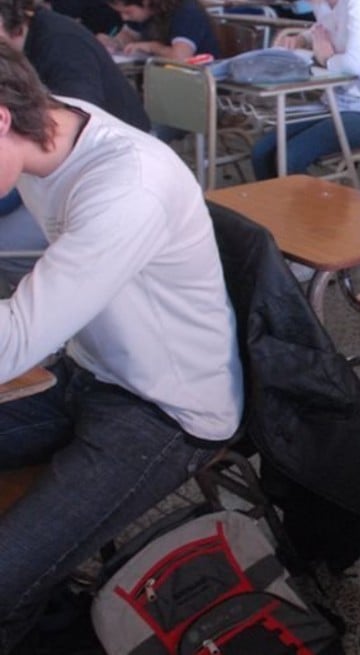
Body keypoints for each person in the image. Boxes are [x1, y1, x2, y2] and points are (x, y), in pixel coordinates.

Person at [0, 41, 242, 651]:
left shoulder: (127, 184)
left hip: (165, 411)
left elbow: (14, 344)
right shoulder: (50, 125)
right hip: (88, 372)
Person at [0, 0, 150, 289]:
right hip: (56, 160)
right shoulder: (32, 42)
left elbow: (57, 137)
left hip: (99, 165)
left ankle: (47, 285)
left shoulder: (61, 43)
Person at [250, 0, 360, 179]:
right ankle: (274, 198)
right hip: (332, 105)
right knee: (262, 152)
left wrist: (327, 59)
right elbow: (322, 30)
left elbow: (354, 65)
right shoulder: (322, 3)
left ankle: (306, 198)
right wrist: (301, 39)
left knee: (289, 158)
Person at [95, 0, 220, 60]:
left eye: (127, 12)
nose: (124, 17)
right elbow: (128, 36)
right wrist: (112, 42)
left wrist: (152, 47)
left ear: (146, 2)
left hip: (199, 80)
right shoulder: (145, 13)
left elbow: (180, 57)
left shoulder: (186, 11)